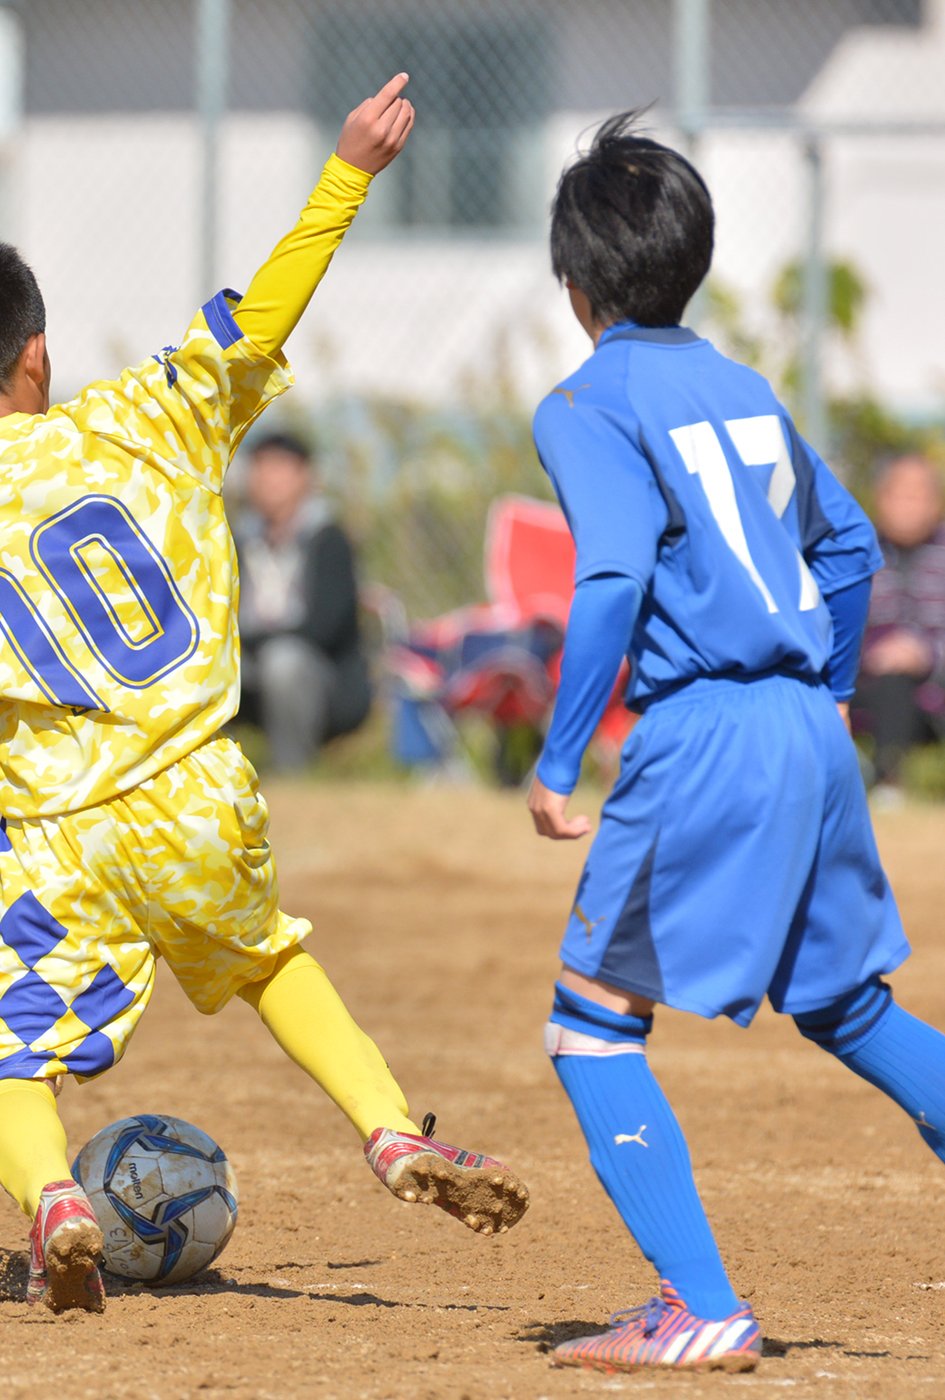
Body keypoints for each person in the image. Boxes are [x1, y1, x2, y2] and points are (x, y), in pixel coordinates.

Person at [0, 75, 528, 1315]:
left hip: (63, 831)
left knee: (10, 1060)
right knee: (267, 961)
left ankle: (55, 1200)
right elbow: (261, 314)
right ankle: (388, 1127)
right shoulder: (141, 415)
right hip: (198, 785)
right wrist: (346, 175)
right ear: (37, 350)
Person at [522, 113, 945, 1373]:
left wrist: (556, 758)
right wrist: (824, 695)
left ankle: (696, 1304)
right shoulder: (745, 389)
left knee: (590, 1024)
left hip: (703, 731)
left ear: (573, 283)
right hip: (803, 728)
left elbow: (608, 578)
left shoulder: (584, 401)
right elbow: (848, 546)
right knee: (843, 1001)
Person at [234, 431, 370, 770]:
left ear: (305, 476)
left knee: (283, 661)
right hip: (246, 664)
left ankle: (291, 772)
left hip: (318, 676)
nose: (269, 479)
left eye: (280, 468)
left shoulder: (329, 539)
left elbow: (324, 627)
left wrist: (252, 641)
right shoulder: (236, 537)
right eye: (261, 467)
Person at [852, 453, 945, 798]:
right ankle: (887, 783)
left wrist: (926, 654)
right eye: (900, 494)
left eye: (918, 495)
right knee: (891, 684)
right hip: (873, 685)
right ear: (881, 499)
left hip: (938, 680)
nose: (909, 506)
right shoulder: (856, 556)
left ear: (936, 502)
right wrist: (875, 655)